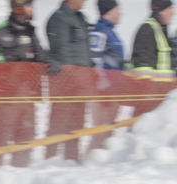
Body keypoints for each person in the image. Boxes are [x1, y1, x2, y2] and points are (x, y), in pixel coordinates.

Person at [0, 0, 47, 167]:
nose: (33, 8)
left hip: (28, 95)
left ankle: (20, 170)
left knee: (26, 135)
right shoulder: (0, 31)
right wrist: (8, 60)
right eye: (29, 5)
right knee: (0, 135)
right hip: (7, 97)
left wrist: (48, 60)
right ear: (19, 7)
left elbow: (39, 59)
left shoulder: (31, 32)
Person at [46, 0, 93, 161]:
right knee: (59, 122)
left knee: (77, 124)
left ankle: (72, 159)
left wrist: (88, 75)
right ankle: (50, 159)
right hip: (65, 84)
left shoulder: (80, 18)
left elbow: (84, 51)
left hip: (81, 83)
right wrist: (73, 78)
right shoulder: (59, 18)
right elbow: (61, 52)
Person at [88, 0, 125, 151]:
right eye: (117, 9)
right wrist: (104, 90)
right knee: (101, 133)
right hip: (104, 95)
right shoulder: (99, 32)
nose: (120, 13)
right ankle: (94, 159)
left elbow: (117, 62)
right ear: (109, 11)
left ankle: (101, 158)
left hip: (113, 92)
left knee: (107, 132)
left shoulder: (110, 31)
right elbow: (95, 62)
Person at [131, 0, 174, 75]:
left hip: (163, 82)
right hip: (154, 82)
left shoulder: (160, 28)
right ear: (161, 11)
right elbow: (143, 68)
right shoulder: (147, 30)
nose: (173, 12)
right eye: (169, 8)